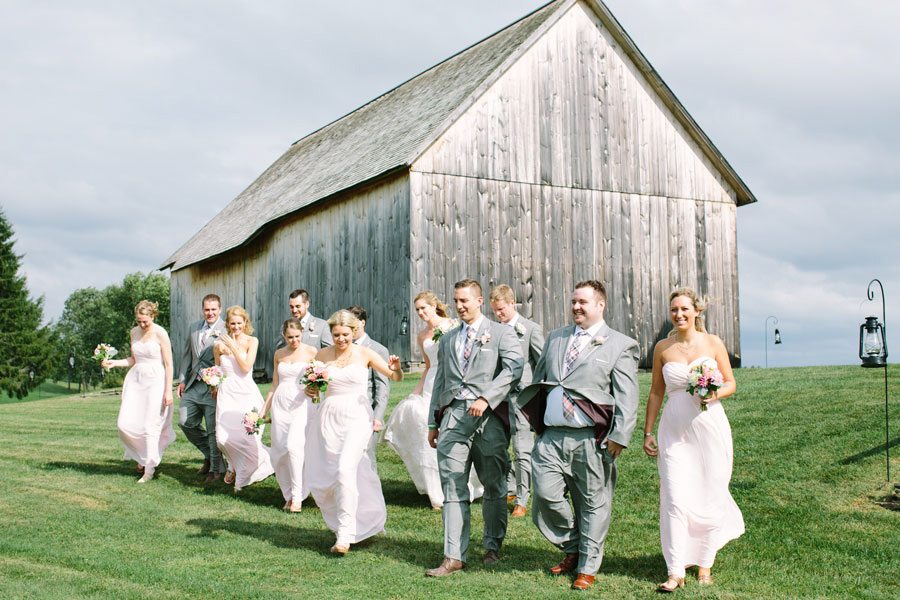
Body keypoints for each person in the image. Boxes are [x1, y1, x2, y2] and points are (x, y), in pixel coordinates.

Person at [519, 280, 640, 591]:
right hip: (551, 438)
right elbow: (542, 379)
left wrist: (619, 435)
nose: (576, 307)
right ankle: (573, 546)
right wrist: (537, 421)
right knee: (545, 497)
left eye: (583, 302)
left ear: (600, 305)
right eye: (573, 301)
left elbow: (627, 396)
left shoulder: (620, 344)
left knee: (593, 503)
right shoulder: (556, 338)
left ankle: (587, 566)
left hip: (592, 438)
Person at [642, 287, 744, 592]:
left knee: (710, 494)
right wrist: (648, 432)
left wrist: (714, 392)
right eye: (674, 310)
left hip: (710, 428)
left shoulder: (712, 343)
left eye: (685, 309)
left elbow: (731, 382)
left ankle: (704, 565)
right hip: (674, 432)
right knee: (674, 498)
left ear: (696, 311)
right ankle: (675, 571)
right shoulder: (663, 348)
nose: (679, 314)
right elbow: (656, 392)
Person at [425, 279, 524, 577]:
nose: (460, 306)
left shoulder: (503, 333)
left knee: (493, 484)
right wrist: (433, 420)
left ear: (480, 301)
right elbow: (440, 380)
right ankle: (453, 556)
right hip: (454, 417)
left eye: (465, 300)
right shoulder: (448, 338)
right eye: (456, 300)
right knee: (453, 486)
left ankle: (492, 545)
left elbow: (514, 369)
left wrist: (487, 397)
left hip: (489, 419)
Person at [305, 310, 403, 555]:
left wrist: (397, 368)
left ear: (354, 331)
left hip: (357, 416)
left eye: (345, 334)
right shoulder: (321, 355)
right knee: (334, 474)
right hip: (329, 417)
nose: (340, 339)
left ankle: (344, 534)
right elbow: (313, 387)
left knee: (345, 469)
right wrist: (312, 390)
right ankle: (369, 516)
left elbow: (395, 377)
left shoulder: (365, 353)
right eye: (336, 335)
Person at [384, 291, 484, 510]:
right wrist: (417, 391)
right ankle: (435, 490)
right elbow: (429, 366)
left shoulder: (453, 326)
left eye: (424, 308)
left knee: (452, 433)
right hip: (431, 383)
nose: (421, 313)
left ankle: (467, 483)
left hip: (451, 382)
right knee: (423, 430)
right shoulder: (422, 336)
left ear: (434, 306)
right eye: (417, 309)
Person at [102, 300, 176, 483]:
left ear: (153, 316)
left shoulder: (160, 333)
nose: (142, 325)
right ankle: (143, 457)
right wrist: (114, 362)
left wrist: (168, 390)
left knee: (150, 425)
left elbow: (168, 364)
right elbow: (133, 359)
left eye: (145, 321)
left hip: (155, 380)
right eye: (139, 321)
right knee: (125, 423)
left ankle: (149, 469)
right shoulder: (134, 332)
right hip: (136, 380)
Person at [489, 284, 545, 518]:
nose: (498, 315)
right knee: (498, 447)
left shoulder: (530, 329)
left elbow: (542, 363)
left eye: (501, 310)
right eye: (495, 311)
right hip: (496, 399)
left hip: (521, 398)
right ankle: (510, 488)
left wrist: (536, 393)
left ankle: (523, 499)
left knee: (522, 448)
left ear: (512, 303)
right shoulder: (492, 330)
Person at [213, 305, 274, 491]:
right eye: (232, 323)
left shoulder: (251, 341)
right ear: (227, 324)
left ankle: (243, 472)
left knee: (247, 437)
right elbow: (218, 369)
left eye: (239, 323)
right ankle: (233, 464)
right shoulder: (218, 345)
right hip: (227, 393)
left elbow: (246, 367)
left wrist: (233, 346)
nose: (236, 327)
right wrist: (214, 383)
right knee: (222, 438)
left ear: (245, 323)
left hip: (246, 392)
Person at [260, 318, 318, 512]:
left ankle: (297, 498)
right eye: (290, 337)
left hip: (302, 402)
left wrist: (315, 390)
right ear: (284, 336)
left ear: (302, 333)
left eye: (297, 337)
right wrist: (264, 409)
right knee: (280, 452)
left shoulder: (311, 352)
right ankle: (288, 493)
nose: (294, 341)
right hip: (281, 404)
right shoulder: (279, 354)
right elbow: (275, 384)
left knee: (295, 447)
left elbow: (318, 379)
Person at [177, 293, 227, 482]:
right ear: (202, 310)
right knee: (185, 421)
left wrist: (220, 382)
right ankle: (209, 455)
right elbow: (187, 356)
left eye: (214, 309)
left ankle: (216, 470)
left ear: (220, 309)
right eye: (207, 309)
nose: (210, 313)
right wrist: (182, 380)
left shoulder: (226, 328)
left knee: (213, 428)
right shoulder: (194, 327)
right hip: (192, 384)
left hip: (213, 386)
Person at [346, 305, 390, 467]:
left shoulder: (378, 349)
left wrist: (377, 416)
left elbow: (382, 387)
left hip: (366, 413)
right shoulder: (342, 348)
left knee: (366, 457)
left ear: (362, 322)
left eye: (352, 323)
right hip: (342, 412)